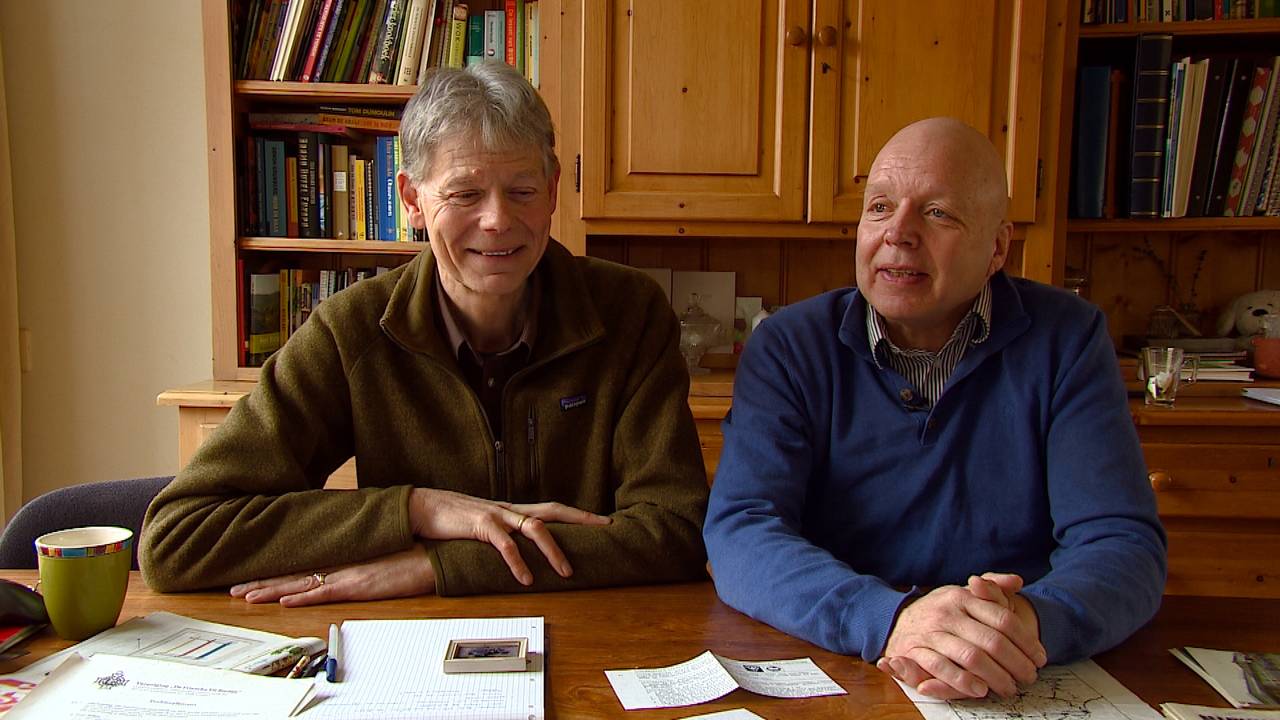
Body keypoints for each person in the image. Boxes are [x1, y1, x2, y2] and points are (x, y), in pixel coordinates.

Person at [140, 62, 709, 605]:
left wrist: (434, 566)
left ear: (554, 190)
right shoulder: (351, 332)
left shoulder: (631, 312)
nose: (498, 220)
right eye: (464, 194)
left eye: (523, 191)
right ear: (412, 199)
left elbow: (675, 531)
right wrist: (417, 511)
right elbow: (176, 540)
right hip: (410, 652)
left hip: (595, 636)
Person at [702, 118, 1167, 701]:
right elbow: (741, 530)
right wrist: (892, 619)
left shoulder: (1067, 340)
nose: (898, 234)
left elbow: (1122, 542)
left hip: (1016, 672)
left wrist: (1024, 624)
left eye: (938, 213)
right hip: (843, 661)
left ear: (997, 246)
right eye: (879, 207)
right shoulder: (790, 346)